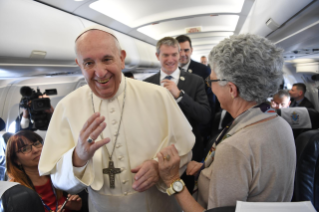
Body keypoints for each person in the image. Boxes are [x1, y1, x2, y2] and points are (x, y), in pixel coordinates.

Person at [38, 25, 195, 212]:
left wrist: (159, 167)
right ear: (79, 65)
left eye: (107, 59)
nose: (100, 72)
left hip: (157, 205)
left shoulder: (158, 95)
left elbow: (185, 151)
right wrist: (78, 158)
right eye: (88, 63)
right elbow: (59, 181)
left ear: (121, 58)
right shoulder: (67, 107)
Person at [156, 34, 296, 211]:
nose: (209, 86)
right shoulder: (281, 124)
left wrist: (172, 180)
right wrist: (211, 168)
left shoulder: (234, 149)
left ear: (231, 89)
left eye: (211, 81)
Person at [144, 37, 210, 163]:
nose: (170, 60)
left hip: (189, 151)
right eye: (165, 55)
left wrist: (180, 95)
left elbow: (205, 116)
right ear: (157, 56)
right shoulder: (147, 84)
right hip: (158, 152)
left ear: (179, 54)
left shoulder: (195, 81)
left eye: (174, 54)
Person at [6, 131, 82, 212]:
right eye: (25, 149)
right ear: (16, 160)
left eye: (36, 144)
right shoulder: (13, 191)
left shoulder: (59, 174)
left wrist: (76, 207)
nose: (35, 150)